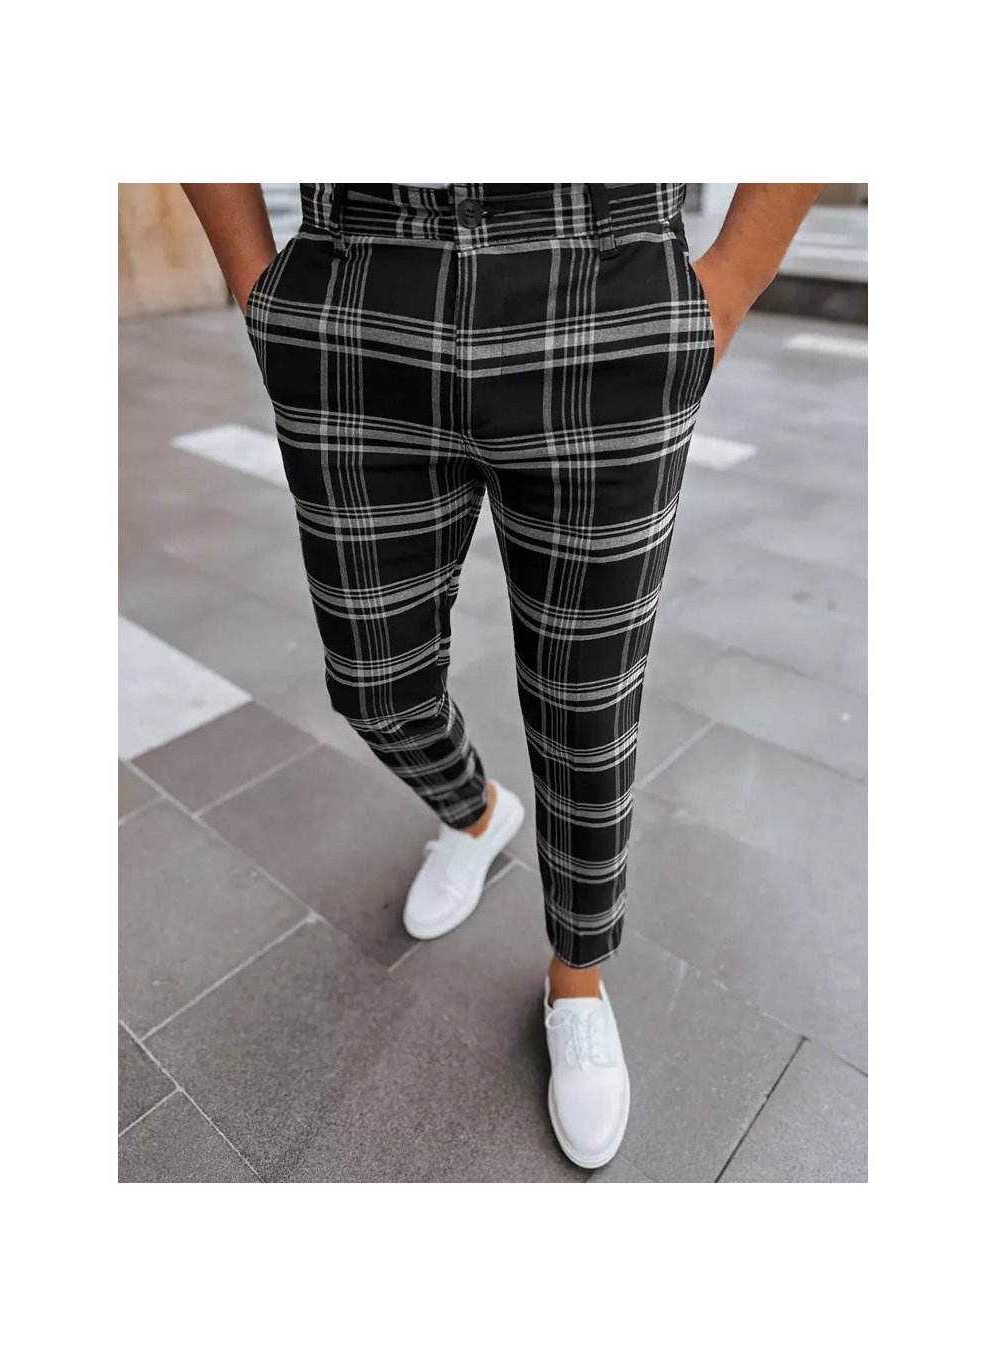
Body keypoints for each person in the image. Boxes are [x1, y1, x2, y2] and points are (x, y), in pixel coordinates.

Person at [182, 182, 822, 1170]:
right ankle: (476, 813)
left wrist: (727, 286)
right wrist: (254, 283)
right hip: (358, 287)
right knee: (374, 684)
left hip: (600, 279)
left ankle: (576, 980)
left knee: (586, 705)